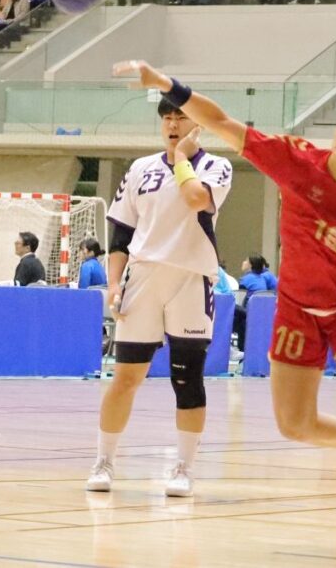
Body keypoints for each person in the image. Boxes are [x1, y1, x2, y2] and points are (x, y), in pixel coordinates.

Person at [113, 60, 336, 561]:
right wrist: (168, 85)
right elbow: (221, 121)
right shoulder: (296, 160)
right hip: (296, 309)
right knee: (294, 424)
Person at [87, 97, 234, 499]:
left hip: (191, 278)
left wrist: (183, 158)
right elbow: (120, 235)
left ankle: (184, 468)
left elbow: (196, 200)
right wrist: (114, 283)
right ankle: (104, 461)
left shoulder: (217, 166)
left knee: (187, 377)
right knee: (125, 377)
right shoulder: (140, 169)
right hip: (144, 276)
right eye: (167, 118)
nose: (172, 124)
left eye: (180, 117)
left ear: (197, 123)